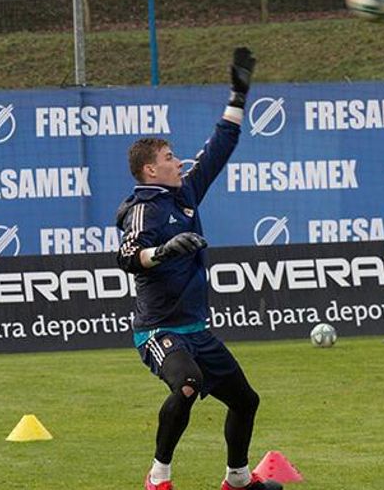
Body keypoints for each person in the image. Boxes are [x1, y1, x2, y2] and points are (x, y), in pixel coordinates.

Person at [116, 48, 282, 490]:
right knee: (187, 383)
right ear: (151, 170)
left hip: (194, 327)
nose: (178, 160)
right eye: (169, 156)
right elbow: (128, 257)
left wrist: (238, 94)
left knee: (246, 400)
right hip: (157, 329)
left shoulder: (186, 192)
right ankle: (159, 477)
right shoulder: (141, 209)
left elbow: (221, 144)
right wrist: (166, 250)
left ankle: (238, 479)